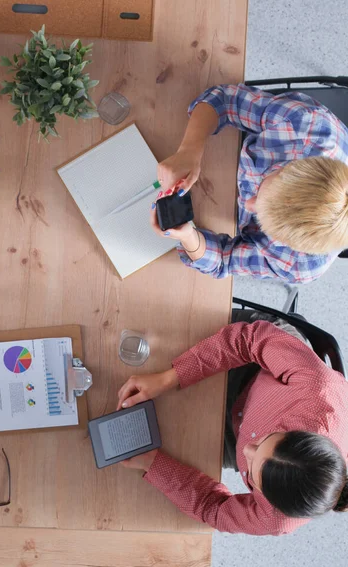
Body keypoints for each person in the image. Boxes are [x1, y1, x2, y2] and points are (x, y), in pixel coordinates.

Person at [117, 319, 348, 535]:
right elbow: (248, 340)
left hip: (240, 425)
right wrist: (170, 378)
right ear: (295, 433)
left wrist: (153, 464)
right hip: (256, 364)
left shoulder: (275, 519)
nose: (248, 449)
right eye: (263, 442)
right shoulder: (316, 388)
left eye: (253, 476)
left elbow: (215, 509)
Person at [150, 83, 348, 283]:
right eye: (264, 186)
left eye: (263, 218)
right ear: (290, 165)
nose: (247, 204)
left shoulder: (301, 266)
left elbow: (223, 261)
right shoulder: (305, 125)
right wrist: (189, 151)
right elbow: (225, 100)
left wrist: (187, 236)